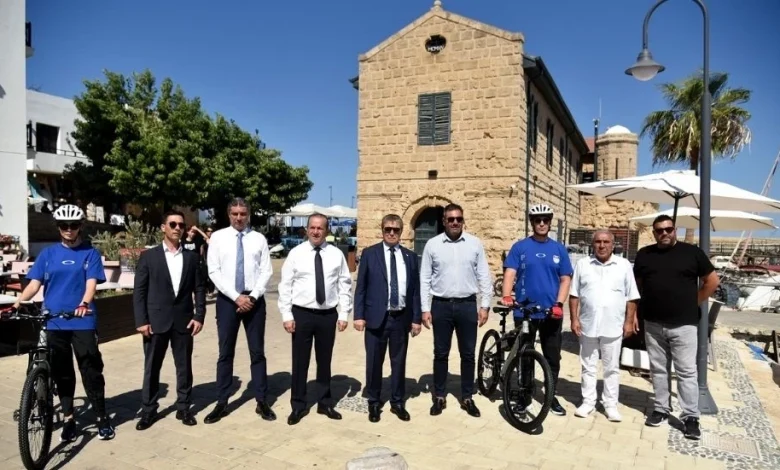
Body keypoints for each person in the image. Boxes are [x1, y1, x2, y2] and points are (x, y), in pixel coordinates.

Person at [13, 204, 115, 441]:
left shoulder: (90, 253)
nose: (69, 229)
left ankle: (102, 417)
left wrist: (84, 303)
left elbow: (91, 284)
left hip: (82, 320)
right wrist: (17, 303)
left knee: (91, 370)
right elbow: (34, 285)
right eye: (64, 225)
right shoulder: (48, 254)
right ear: (58, 227)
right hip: (54, 321)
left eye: (73, 225)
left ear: (80, 226)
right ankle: (69, 419)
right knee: (62, 373)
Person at [633, 214, 720, 440]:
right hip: (653, 323)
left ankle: (691, 417)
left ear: (675, 230)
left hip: (684, 325)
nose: (664, 233)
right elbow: (638, 286)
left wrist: (694, 301)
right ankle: (661, 408)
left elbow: (712, 281)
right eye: (659, 230)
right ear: (654, 233)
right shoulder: (645, 254)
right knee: (658, 369)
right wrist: (637, 312)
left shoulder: (692, 253)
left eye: (668, 229)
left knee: (686, 371)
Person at [133, 210, 207, 430]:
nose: (177, 228)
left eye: (181, 225)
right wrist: (141, 320)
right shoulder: (149, 257)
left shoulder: (192, 258)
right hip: (155, 322)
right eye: (173, 224)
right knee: (152, 368)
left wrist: (199, 315)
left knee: (184, 367)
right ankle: (148, 410)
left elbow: (199, 288)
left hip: (183, 321)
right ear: (163, 227)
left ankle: (184, 407)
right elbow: (139, 292)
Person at [204, 198, 275, 423]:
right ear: (229, 215)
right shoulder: (218, 238)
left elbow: (266, 271)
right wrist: (236, 297)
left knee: (257, 352)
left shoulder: (259, 239)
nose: (239, 217)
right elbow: (213, 271)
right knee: (225, 352)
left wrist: (252, 297)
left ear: (248, 214)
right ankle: (222, 402)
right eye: (235, 213)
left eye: (243, 213)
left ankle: (262, 400)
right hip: (228, 300)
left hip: (254, 301)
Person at [278, 213, 352, 425]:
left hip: (328, 315)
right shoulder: (296, 253)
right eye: (312, 227)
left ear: (326, 230)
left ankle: (325, 403)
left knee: (324, 361)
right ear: (307, 229)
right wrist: (286, 315)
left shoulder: (336, 255)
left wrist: (344, 313)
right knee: (300, 361)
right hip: (301, 314)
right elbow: (285, 285)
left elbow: (344, 284)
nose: (316, 231)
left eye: (320, 228)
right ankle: (298, 405)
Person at [420, 203, 492, 418]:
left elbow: (484, 275)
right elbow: (424, 278)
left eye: (458, 219)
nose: (454, 222)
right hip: (440, 305)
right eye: (450, 219)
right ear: (444, 221)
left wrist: (485, 305)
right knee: (440, 353)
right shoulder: (432, 245)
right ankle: (439, 395)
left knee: (468, 354)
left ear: (463, 220)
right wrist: (425, 308)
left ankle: (467, 397)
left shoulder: (474, 244)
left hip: (467, 305)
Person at [501, 203, 572, 416]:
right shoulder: (520, 247)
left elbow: (565, 279)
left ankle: (550, 394)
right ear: (532, 223)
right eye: (537, 220)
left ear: (550, 222)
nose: (542, 223)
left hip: (551, 312)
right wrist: (507, 295)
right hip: (525, 311)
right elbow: (510, 273)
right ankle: (524, 395)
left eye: (545, 220)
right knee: (525, 355)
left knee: (552, 356)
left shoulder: (559, 249)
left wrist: (559, 304)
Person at [354, 214, 422, 423]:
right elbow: (361, 287)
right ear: (382, 230)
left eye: (396, 230)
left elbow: (415, 291)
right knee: (374, 362)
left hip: (400, 318)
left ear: (402, 232)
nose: (392, 233)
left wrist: (416, 318)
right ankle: (374, 402)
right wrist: (358, 316)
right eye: (388, 229)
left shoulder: (410, 257)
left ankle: (397, 402)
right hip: (376, 317)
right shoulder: (370, 254)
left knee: (399, 362)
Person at [569, 229, 640, 422]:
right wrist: (574, 319)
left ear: (613, 244)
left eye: (606, 242)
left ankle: (610, 404)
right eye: (598, 242)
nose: (602, 245)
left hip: (613, 325)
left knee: (611, 368)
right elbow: (574, 295)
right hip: (588, 324)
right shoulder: (583, 264)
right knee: (588, 366)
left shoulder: (624, 265)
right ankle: (588, 402)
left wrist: (629, 322)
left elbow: (632, 297)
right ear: (593, 244)